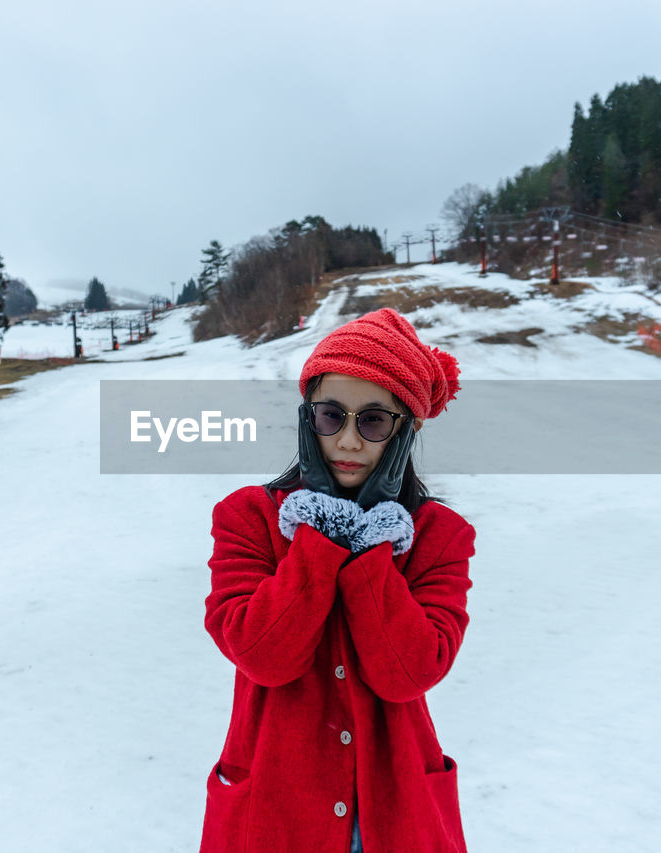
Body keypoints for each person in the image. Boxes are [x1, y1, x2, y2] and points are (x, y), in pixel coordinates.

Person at [201, 308, 476, 853]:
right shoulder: (247, 518)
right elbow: (263, 654)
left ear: (407, 430)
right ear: (308, 420)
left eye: (373, 421)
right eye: (332, 417)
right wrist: (323, 530)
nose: (349, 440)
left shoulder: (440, 536)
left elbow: (408, 671)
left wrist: (372, 541)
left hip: (394, 819)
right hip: (276, 818)